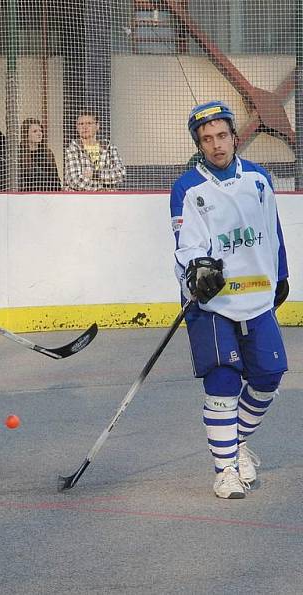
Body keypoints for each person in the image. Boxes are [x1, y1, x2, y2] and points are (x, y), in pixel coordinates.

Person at [171, 100, 289, 499]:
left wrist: (283, 274)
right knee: (222, 382)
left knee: (268, 378)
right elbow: (184, 244)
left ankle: (235, 444)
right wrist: (196, 270)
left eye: (222, 136)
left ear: (234, 137)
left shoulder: (259, 178)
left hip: (257, 296)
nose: (216, 145)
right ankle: (224, 471)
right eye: (207, 139)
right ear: (199, 145)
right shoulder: (187, 187)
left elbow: (272, 230)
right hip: (213, 303)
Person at [63, 110, 126, 191]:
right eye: (81, 124)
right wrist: (102, 189)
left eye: (89, 123)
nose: (84, 127)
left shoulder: (109, 148)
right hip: (81, 200)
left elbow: (121, 174)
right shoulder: (72, 149)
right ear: (77, 127)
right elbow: (75, 181)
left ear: (97, 126)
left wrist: (95, 174)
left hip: (107, 200)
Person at [18, 118, 61, 192]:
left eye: (40, 131)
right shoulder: (20, 153)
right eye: (34, 131)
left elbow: (56, 180)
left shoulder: (48, 153)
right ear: (26, 134)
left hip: (48, 195)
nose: (39, 134)